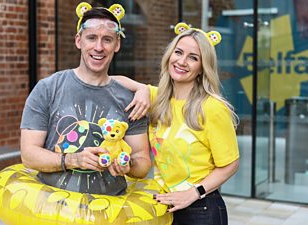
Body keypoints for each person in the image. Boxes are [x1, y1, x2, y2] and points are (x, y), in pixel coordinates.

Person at [113, 23, 240, 225]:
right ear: (169, 56)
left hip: (201, 209)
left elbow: (230, 164)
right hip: (167, 207)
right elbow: (113, 81)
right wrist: (141, 89)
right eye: (178, 52)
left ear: (202, 68)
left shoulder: (212, 107)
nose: (182, 61)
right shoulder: (158, 99)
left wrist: (193, 193)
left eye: (193, 57)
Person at [19, 2, 151, 196]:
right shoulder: (48, 88)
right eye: (92, 38)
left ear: (117, 45)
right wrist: (73, 160)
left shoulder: (130, 100)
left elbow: (143, 161)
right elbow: (29, 154)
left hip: (108, 211)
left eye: (107, 39)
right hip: (53, 208)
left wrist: (127, 164)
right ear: (78, 41)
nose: (99, 47)